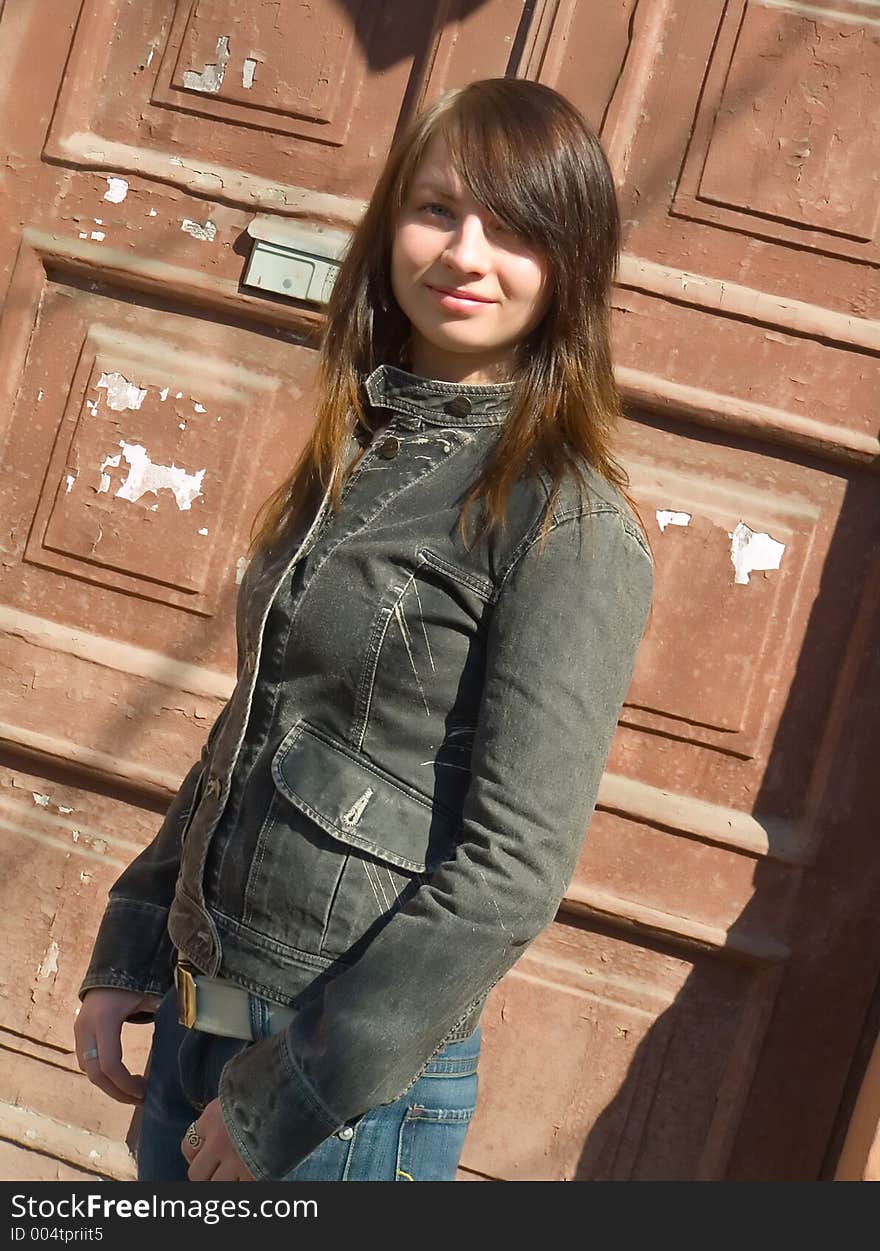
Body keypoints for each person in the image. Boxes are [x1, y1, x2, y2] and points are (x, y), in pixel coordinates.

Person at [74, 77, 654, 1183]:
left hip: (341, 1092)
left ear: (570, 263)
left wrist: (287, 1099)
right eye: (436, 210)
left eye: (515, 227)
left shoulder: (563, 520)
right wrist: (135, 943)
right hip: (203, 1033)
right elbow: (257, 725)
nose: (464, 254)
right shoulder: (359, 453)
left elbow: (511, 872)